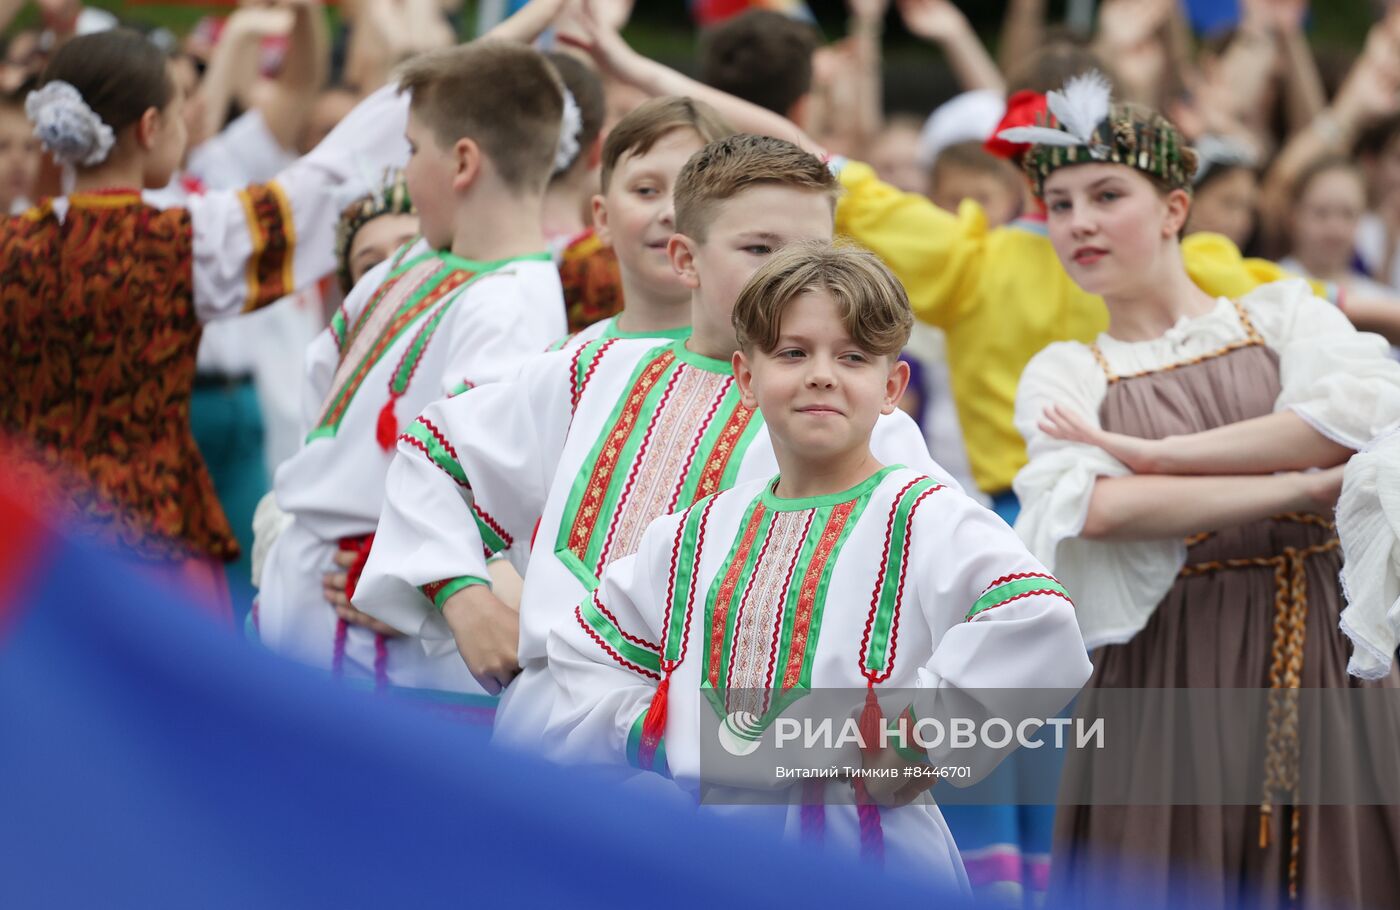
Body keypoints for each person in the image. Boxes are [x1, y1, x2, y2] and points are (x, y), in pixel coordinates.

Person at [352, 134, 958, 751]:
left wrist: (919, 740)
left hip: (729, 771)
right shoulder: (591, 371)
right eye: (759, 249)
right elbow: (434, 455)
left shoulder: (858, 424)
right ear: (685, 259)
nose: (788, 276)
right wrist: (465, 597)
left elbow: (953, 590)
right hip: (550, 741)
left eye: (812, 254)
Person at [541, 241, 1089, 888]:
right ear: (747, 377)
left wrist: (915, 745)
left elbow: (1038, 619)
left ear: (892, 386)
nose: (822, 374)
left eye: (852, 356)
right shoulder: (696, 532)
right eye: (793, 352)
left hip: (864, 857)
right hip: (705, 855)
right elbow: (586, 653)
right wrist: (654, 733)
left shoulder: (924, 514)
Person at [1003, 74, 1400, 907]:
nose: (1078, 222)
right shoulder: (1067, 371)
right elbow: (1099, 510)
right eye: (1062, 204)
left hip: (1322, 646)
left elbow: (1347, 420)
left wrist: (1160, 455)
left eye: (1107, 194)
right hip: (1171, 657)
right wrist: (1301, 487)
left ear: (1175, 210)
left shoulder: (1281, 314)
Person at [0, 27, 406, 619]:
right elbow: (321, 182)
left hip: (25, 542)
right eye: (178, 113)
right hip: (150, 534)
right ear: (149, 128)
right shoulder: (183, 241)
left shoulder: (10, 246)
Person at [253, 40, 568, 698]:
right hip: (306, 579)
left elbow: (480, 487)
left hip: (370, 629)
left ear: (461, 162)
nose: (403, 168)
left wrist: (424, 580)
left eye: (412, 149)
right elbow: (324, 387)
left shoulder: (511, 306)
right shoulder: (412, 261)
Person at [554, 95, 733, 351]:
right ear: (603, 218)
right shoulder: (563, 363)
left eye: (697, 191)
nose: (671, 212)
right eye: (646, 190)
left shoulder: (764, 361)